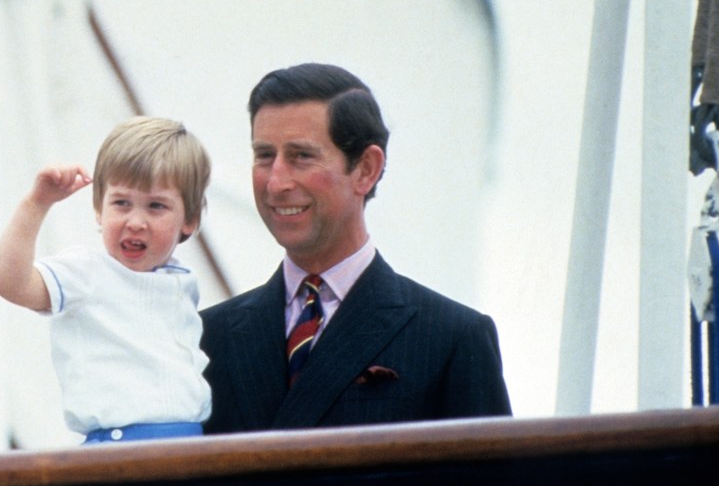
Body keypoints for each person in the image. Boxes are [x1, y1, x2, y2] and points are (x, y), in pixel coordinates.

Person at [200, 62, 511, 433]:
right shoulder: (206, 337)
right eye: (264, 155)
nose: (276, 182)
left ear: (366, 169)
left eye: (301, 155)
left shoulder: (451, 339)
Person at [0, 116, 213, 443]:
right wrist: (37, 204)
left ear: (189, 220)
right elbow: (11, 283)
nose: (135, 221)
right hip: (119, 447)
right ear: (99, 208)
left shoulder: (183, 281)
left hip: (189, 444)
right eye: (121, 203)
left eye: (155, 206)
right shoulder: (86, 271)